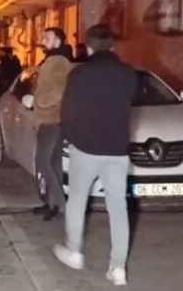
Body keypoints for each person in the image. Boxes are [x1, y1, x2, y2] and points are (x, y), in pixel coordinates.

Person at [53, 25, 137, 286]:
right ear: (112, 46)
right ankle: (118, 268)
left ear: (88, 48)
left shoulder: (80, 74)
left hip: (86, 148)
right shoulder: (128, 74)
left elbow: (67, 112)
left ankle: (74, 250)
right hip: (117, 150)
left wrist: (70, 137)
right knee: (118, 208)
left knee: (78, 199)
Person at [26, 27, 74, 221]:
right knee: (54, 163)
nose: (43, 40)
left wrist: (38, 101)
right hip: (52, 119)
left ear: (58, 41)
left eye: (47, 38)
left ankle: (63, 206)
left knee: (42, 162)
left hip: (51, 120)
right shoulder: (52, 60)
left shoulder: (59, 61)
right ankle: (52, 204)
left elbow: (60, 90)